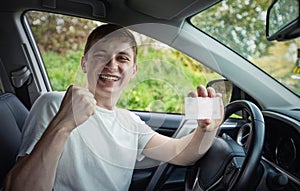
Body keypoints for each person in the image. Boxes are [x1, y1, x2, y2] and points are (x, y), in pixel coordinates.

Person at [4, 24, 224, 191]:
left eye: (122, 58)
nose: (112, 65)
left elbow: (182, 154)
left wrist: (207, 129)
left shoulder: (130, 123)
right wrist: (63, 124)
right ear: (84, 63)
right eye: (101, 55)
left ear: (133, 70)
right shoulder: (53, 103)